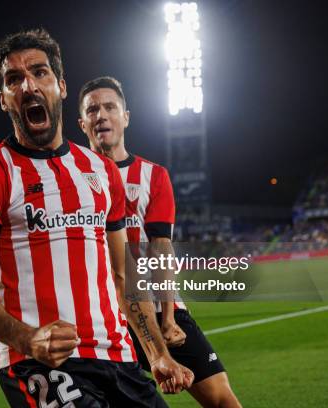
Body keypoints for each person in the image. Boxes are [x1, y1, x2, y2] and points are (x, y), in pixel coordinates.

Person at [0, 29, 193, 407]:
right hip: (38, 364)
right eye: (14, 80)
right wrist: (27, 338)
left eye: (39, 72)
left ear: (61, 86)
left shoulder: (101, 171)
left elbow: (123, 275)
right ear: (3, 99)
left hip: (119, 358)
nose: (28, 85)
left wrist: (157, 352)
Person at [78, 76, 242, 407]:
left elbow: (161, 249)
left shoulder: (153, 176)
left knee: (221, 398)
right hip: (102, 322)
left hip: (155, 304)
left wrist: (168, 316)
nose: (102, 115)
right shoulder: (69, 177)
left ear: (126, 116)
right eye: (92, 110)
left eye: (110, 107)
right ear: (82, 123)